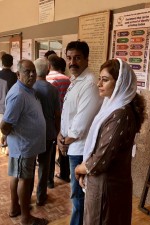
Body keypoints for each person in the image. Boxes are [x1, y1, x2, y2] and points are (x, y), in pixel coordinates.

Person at [75, 59, 146, 224]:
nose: (99, 83)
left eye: (105, 80)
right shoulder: (112, 106)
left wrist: (79, 168)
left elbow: (100, 159)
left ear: (120, 83)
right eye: (99, 78)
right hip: (105, 184)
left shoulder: (120, 114)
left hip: (106, 187)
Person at [57, 41, 102, 225]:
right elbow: (69, 114)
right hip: (71, 145)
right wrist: (61, 135)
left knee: (79, 197)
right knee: (76, 195)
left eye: (77, 58)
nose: (72, 62)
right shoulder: (75, 80)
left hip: (81, 150)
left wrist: (64, 141)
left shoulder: (90, 83)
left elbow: (81, 123)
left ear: (86, 59)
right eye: (69, 58)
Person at [0, 60, 48, 225]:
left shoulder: (27, 90)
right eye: (27, 71)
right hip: (23, 146)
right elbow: (5, 124)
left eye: (33, 71)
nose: (32, 74)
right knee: (24, 179)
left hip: (24, 145)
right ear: (18, 74)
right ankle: (26, 218)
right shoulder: (19, 94)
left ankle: (15, 208)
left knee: (17, 175)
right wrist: (7, 135)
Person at [33, 58, 60, 206]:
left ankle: (27, 196)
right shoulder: (53, 89)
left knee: (30, 167)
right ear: (48, 70)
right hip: (48, 132)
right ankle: (40, 196)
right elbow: (57, 114)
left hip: (33, 133)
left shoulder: (30, 88)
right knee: (44, 165)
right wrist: (57, 130)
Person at [46, 55, 71, 188]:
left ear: (49, 66)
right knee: (63, 146)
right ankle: (65, 174)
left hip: (51, 119)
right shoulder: (68, 80)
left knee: (50, 149)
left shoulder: (47, 79)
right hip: (65, 118)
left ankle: (49, 181)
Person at [0, 54, 17, 154]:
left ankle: (3, 146)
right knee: (9, 125)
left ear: (2, 63)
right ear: (12, 63)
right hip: (11, 103)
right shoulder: (14, 75)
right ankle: (8, 147)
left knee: (0, 125)